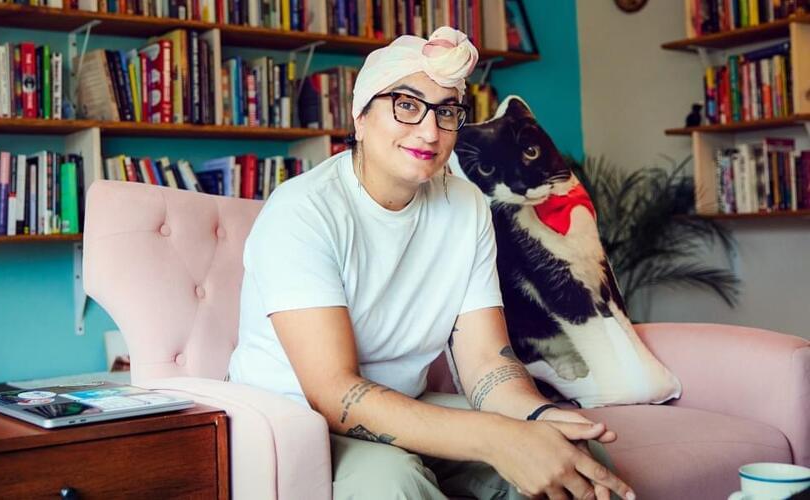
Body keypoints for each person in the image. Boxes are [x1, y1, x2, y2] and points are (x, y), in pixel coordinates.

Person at [227, 26, 636, 500]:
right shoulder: (302, 211)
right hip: (291, 419)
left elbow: (486, 361)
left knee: (575, 458)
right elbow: (333, 392)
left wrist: (539, 419)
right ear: (361, 116)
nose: (429, 131)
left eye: (446, 111)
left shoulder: (467, 205)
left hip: (406, 403)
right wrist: (497, 438)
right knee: (394, 481)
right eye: (406, 104)